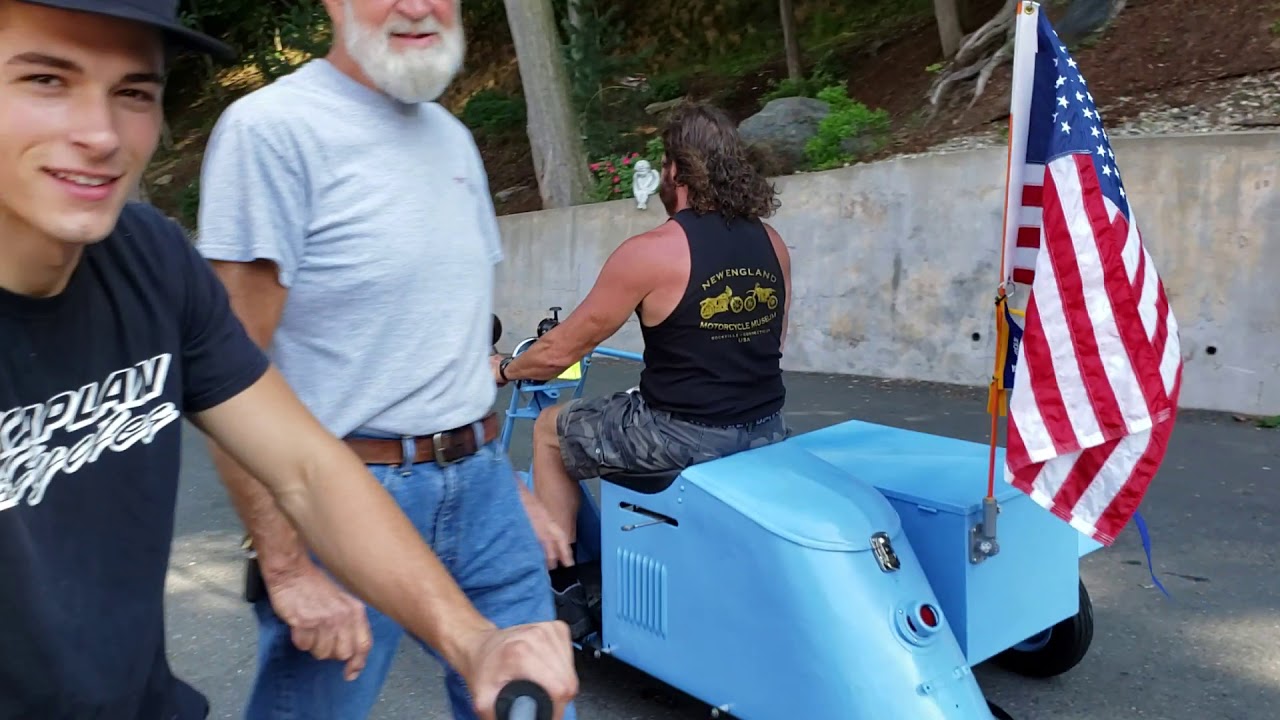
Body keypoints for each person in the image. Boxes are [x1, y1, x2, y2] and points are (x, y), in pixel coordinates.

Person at [0, 0, 577, 719]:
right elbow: (260, 358)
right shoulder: (274, 130)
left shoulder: (149, 259)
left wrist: (475, 640)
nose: (98, 133)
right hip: (371, 472)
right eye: (46, 80)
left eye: (134, 92)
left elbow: (306, 460)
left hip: (470, 478)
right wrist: (284, 562)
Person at [192, 1, 579, 719]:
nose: (416, 4)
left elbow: (452, 336)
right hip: (349, 497)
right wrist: (284, 563)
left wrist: (506, 480)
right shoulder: (271, 131)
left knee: (537, 705)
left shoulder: (454, 140)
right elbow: (228, 368)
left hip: (485, 493)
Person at [493, 102, 794, 637]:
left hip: (684, 436)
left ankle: (560, 592)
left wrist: (505, 369)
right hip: (767, 430)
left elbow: (561, 350)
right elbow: (773, 343)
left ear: (676, 170)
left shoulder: (652, 251)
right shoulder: (771, 244)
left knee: (549, 431)